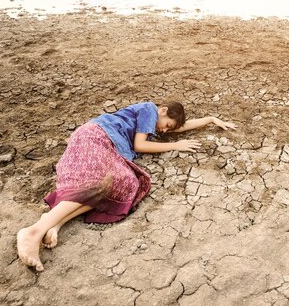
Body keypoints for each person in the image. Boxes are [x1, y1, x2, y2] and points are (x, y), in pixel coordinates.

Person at [17, 101, 236, 271]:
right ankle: (34, 231)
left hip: (110, 147)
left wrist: (212, 119)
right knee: (102, 181)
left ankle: (54, 223)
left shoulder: (155, 122)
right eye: (167, 126)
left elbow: (181, 126)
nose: (166, 132)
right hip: (96, 136)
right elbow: (139, 145)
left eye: (170, 131)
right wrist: (175, 145)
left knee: (123, 184)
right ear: (163, 110)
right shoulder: (149, 109)